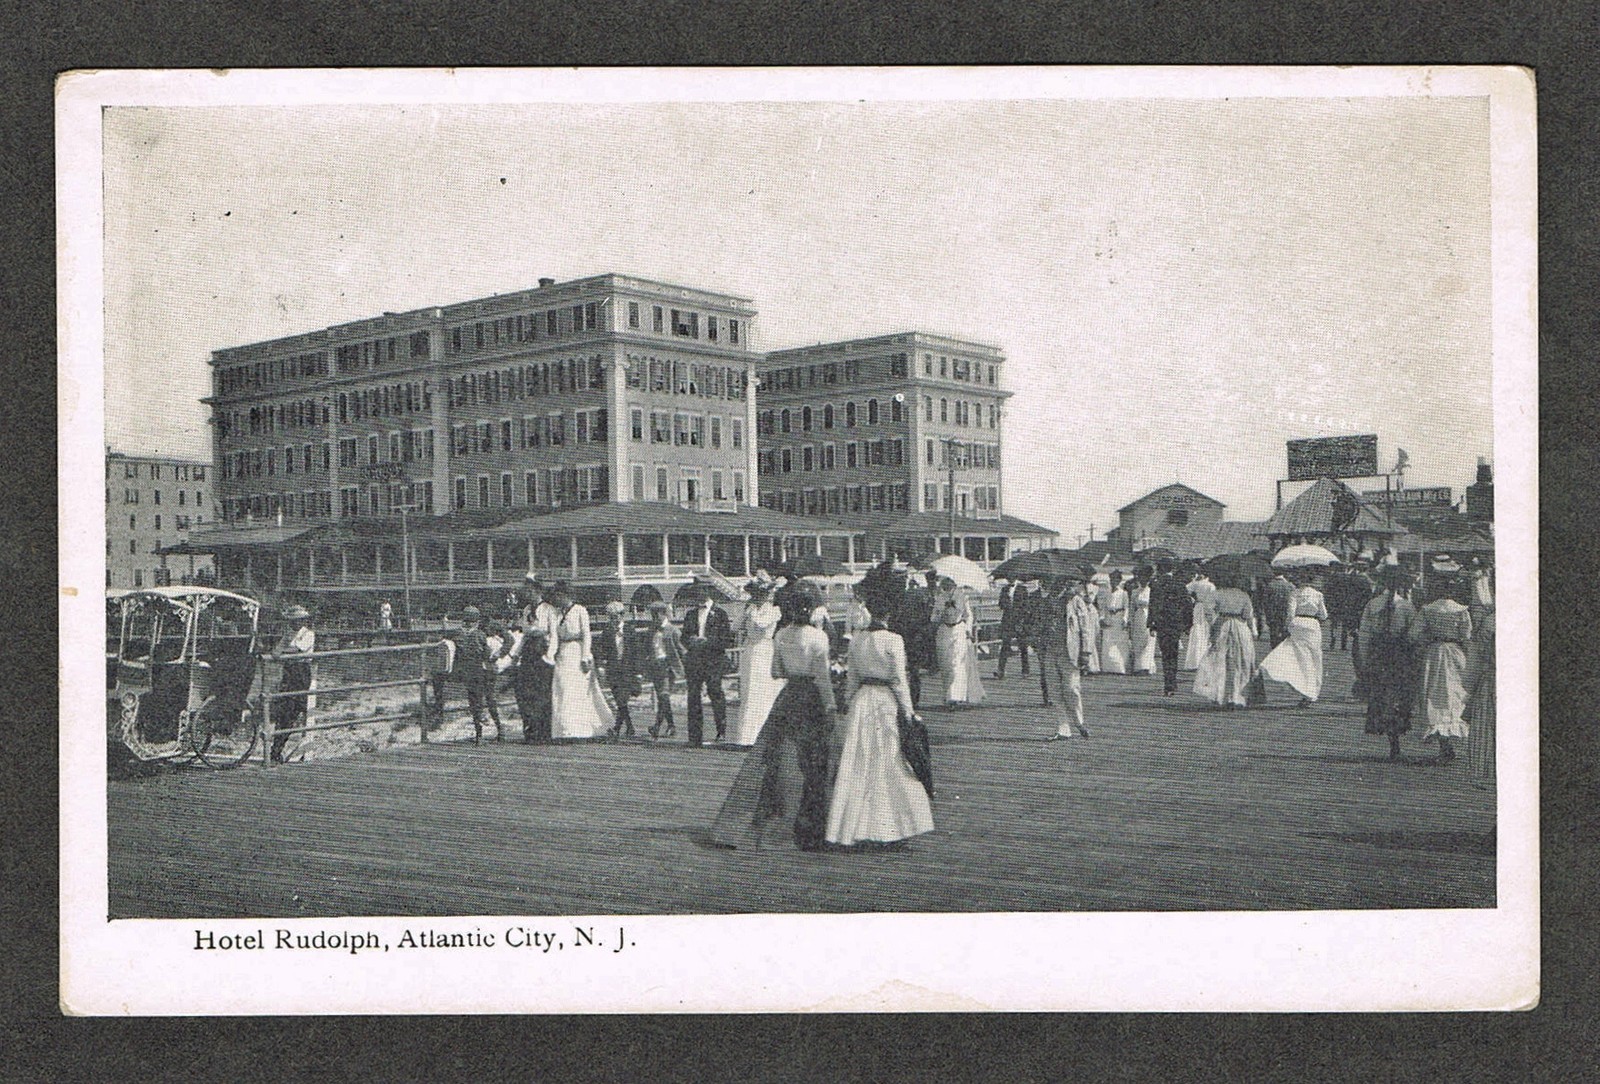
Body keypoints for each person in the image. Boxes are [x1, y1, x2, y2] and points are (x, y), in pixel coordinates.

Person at [711, 583, 839, 851]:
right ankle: (813, 823)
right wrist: (830, 707)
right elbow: (823, 680)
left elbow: (776, 671)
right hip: (812, 697)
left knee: (779, 757)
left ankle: (775, 814)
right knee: (814, 759)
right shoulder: (818, 638)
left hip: (789, 696)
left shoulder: (781, 637)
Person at [824, 582, 935, 847]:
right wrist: (908, 711)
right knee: (890, 760)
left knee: (860, 762)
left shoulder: (859, 639)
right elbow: (898, 680)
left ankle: (856, 826)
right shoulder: (893, 640)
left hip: (863, 701)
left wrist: (848, 703)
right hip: (885, 701)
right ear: (889, 615)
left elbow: (852, 679)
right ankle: (891, 826)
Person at [1357, 565, 1420, 760]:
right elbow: (1413, 636)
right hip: (1398, 655)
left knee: (1383, 696)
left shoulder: (1373, 604)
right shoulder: (1407, 607)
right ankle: (1395, 739)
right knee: (1396, 697)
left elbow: (1364, 635)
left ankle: (1393, 741)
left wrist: (1365, 658)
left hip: (1380, 654)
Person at [1410, 579, 1474, 765]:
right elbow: (1467, 635)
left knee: (1434, 695)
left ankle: (1444, 745)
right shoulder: (1461, 610)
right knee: (1455, 694)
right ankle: (1452, 742)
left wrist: (1429, 638)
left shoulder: (1428, 609)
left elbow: (1414, 634)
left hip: (1435, 653)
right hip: (1455, 652)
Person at [542, 582, 613, 740]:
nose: (556, 599)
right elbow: (554, 636)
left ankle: (581, 728)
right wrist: (550, 655)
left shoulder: (580, 610)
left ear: (566, 595)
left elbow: (586, 634)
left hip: (577, 651)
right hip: (562, 654)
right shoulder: (557, 614)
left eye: (559, 595)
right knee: (561, 688)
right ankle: (564, 728)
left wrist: (585, 656)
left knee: (577, 690)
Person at [1257, 570, 1329, 706]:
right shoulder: (1318, 595)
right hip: (1313, 625)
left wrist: (1287, 627)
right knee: (1315, 657)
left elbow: (1290, 613)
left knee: (1300, 657)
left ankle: (1304, 688)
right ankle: (1313, 691)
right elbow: (1324, 615)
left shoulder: (1295, 593)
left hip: (1298, 623)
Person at [1193, 569, 1259, 709]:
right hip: (1240, 628)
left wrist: (1213, 625)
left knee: (1221, 661)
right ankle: (1237, 696)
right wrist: (1252, 631)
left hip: (1223, 625)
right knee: (1240, 662)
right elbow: (1248, 614)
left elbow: (1208, 611)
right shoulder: (1243, 595)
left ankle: (1220, 694)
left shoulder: (1216, 594)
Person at [730, 581, 785, 745]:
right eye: (755, 595)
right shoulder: (750, 610)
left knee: (764, 692)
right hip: (751, 650)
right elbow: (735, 626)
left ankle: (764, 736)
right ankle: (747, 736)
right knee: (749, 691)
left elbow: (762, 625)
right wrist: (745, 611)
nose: (758, 598)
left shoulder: (774, 611)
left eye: (761, 595)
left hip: (765, 650)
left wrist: (752, 612)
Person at [1044, 572, 1094, 741]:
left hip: (1070, 651)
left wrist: (1086, 652)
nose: (1055, 585)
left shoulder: (1075, 601)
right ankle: (1063, 727)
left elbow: (1086, 628)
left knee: (1072, 688)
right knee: (1054, 690)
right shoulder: (1047, 600)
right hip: (1050, 649)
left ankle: (1079, 722)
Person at [681, 590, 734, 746]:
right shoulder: (690, 614)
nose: (699, 594)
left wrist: (707, 641)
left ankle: (721, 730)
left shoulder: (720, 614)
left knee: (715, 693)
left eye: (702, 590)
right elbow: (683, 637)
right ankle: (695, 735)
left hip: (713, 661)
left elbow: (726, 640)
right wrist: (692, 641)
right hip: (695, 661)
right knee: (693, 696)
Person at [512, 576, 556, 744]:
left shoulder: (548, 609)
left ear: (538, 591)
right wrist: (516, 654)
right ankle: (530, 730)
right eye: (526, 591)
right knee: (527, 692)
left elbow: (553, 634)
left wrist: (549, 656)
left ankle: (544, 732)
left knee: (543, 693)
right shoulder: (526, 610)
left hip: (543, 651)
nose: (527, 594)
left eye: (530, 591)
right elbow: (524, 635)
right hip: (529, 652)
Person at [269, 604, 315, 763]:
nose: (294, 623)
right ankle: (275, 749)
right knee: (284, 711)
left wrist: (284, 651)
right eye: (292, 621)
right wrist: (282, 650)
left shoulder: (308, 634)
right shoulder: (288, 634)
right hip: (289, 671)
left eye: (297, 621)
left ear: (303, 621)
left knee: (295, 710)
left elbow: (298, 651)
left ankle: (280, 747)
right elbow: (276, 652)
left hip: (301, 671)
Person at [930, 576, 986, 708]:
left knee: (956, 664)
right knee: (946, 665)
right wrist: (941, 610)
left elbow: (969, 615)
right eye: (945, 583)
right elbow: (933, 618)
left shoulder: (962, 596)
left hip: (958, 631)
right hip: (944, 632)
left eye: (949, 583)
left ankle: (954, 697)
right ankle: (948, 695)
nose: (947, 586)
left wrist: (968, 629)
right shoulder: (940, 597)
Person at [890, 568, 936, 709]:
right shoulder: (916, 594)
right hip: (909, 635)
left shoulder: (896, 597)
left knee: (903, 669)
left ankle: (907, 699)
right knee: (911, 670)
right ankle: (912, 700)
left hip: (905, 635)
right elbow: (927, 614)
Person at [449, 605, 495, 744]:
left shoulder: (457, 633)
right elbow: (486, 653)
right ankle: (479, 734)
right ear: (477, 619)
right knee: (478, 701)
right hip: (477, 670)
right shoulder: (479, 634)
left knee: (471, 700)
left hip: (462, 670)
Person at [1147, 560, 1193, 696]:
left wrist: (1151, 623)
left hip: (1162, 622)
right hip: (1176, 623)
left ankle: (1168, 683)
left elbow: (1153, 605)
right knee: (1173, 653)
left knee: (1165, 653)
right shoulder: (1179, 584)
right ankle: (1172, 682)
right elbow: (1187, 605)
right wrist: (1188, 624)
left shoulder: (1156, 584)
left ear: (1160, 570)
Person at [597, 600, 642, 740]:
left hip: (627, 670)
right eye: (610, 617)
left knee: (622, 699)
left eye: (615, 616)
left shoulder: (630, 630)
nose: (613, 619)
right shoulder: (607, 631)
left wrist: (639, 672)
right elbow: (602, 650)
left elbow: (637, 652)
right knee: (619, 700)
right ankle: (629, 727)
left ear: (622, 615)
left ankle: (617, 728)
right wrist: (601, 665)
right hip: (613, 669)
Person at [1462, 602, 1496, 782]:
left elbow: (1478, 656)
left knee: (1485, 726)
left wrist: (1470, 685)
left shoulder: (1489, 623)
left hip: (1491, 678)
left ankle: (1484, 771)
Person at [643, 602, 685, 739]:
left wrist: (686, 667)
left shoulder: (673, 630)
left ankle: (662, 726)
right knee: (662, 698)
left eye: (656, 614)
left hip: (668, 667)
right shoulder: (651, 630)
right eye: (652, 615)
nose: (654, 617)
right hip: (655, 666)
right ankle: (664, 727)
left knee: (664, 696)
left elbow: (682, 650)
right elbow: (648, 648)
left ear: (663, 613)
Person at [1181, 566, 1216, 671]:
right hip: (1207, 607)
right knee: (1205, 632)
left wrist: (1193, 598)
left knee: (1197, 631)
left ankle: (1194, 660)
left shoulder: (1196, 583)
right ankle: (1204, 660)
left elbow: (1185, 590)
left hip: (1198, 607)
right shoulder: (1211, 585)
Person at [994, 580, 1031, 679]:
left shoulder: (1023, 589)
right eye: (1009, 577)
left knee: (1023, 646)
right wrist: (1007, 603)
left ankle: (1025, 669)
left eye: (1013, 577)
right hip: (1008, 621)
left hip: (1019, 621)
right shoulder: (1004, 589)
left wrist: (1021, 619)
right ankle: (1000, 670)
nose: (1011, 579)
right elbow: (1000, 604)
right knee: (1005, 646)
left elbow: (1026, 606)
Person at [1097, 570, 1131, 676]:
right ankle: (1108, 667)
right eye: (1112, 579)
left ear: (1119, 581)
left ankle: (1119, 667)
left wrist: (1125, 620)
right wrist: (1101, 618)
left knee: (1120, 643)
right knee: (1108, 642)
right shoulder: (1106, 592)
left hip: (1119, 617)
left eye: (1116, 579)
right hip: (1109, 617)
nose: (1113, 581)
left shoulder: (1123, 593)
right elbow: (1102, 607)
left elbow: (1126, 608)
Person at [1126, 567, 1157, 676]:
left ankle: (1146, 666)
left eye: (1145, 579)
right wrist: (1130, 620)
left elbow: (1155, 608)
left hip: (1149, 616)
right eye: (1141, 579)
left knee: (1148, 641)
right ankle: (1138, 666)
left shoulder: (1153, 592)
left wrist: (1155, 622)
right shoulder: (1135, 592)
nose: (1143, 581)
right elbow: (1131, 607)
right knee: (1137, 641)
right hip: (1138, 617)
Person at [1264, 570, 1296, 647]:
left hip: (1273, 615)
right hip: (1286, 614)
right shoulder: (1290, 586)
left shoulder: (1270, 586)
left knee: (1273, 636)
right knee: (1285, 637)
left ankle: (1274, 651)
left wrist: (1267, 615)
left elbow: (1265, 602)